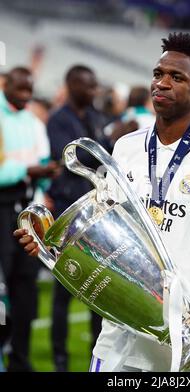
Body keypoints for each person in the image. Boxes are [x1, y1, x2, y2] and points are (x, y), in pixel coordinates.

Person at [14, 33, 190, 373]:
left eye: (176, 78)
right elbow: (109, 230)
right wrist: (53, 245)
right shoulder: (127, 147)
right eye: (158, 73)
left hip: (189, 338)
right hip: (122, 331)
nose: (161, 83)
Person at [45, 65, 111, 372]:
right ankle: (60, 358)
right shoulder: (58, 119)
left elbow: (108, 155)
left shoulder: (95, 116)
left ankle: (96, 354)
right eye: (88, 85)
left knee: (99, 283)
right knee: (63, 288)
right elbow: (69, 157)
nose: (94, 90)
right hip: (66, 210)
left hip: (96, 212)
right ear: (72, 84)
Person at [0, 67, 60, 371]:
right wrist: (26, 170)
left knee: (26, 289)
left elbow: (42, 159)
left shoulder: (34, 123)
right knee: (1, 290)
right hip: (1, 207)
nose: (25, 96)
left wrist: (46, 173)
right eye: (20, 90)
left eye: (29, 91)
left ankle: (20, 360)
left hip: (27, 211)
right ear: (5, 84)